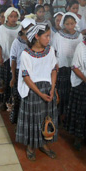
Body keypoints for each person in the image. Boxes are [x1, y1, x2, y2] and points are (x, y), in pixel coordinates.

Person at [16, 24, 58, 161]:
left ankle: (44, 144)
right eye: (46, 36)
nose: (49, 39)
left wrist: (52, 89)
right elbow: (26, 77)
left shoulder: (50, 50)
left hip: (47, 89)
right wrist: (40, 94)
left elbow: (53, 69)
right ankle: (31, 146)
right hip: (33, 91)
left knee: (46, 117)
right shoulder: (26, 55)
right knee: (34, 120)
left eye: (49, 36)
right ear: (36, 37)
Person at [51, 12, 83, 124]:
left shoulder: (79, 36)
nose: (70, 26)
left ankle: (68, 115)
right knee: (61, 92)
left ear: (75, 23)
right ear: (63, 23)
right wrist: (55, 65)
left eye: (72, 23)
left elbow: (81, 53)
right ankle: (59, 114)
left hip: (74, 68)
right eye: (67, 24)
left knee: (71, 92)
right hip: (61, 67)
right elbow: (53, 51)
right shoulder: (58, 35)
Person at [0, 7, 21, 110]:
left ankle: (12, 100)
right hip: (5, 58)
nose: (13, 18)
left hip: (16, 59)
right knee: (3, 81)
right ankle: (2, 100)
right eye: (11, 16)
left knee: (13, 80)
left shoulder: (20, 28)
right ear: (7, 17)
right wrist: (1, 57)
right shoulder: (2, 28)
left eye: (15, 16)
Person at [9, 18, 34, 124]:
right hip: (20, 72)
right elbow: (13, 60)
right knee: (19, 97)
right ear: (23, 29)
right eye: (28, 28)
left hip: (32, 72)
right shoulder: (17, 42)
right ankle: (17, 122)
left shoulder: (34, 41)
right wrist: (13, 76)